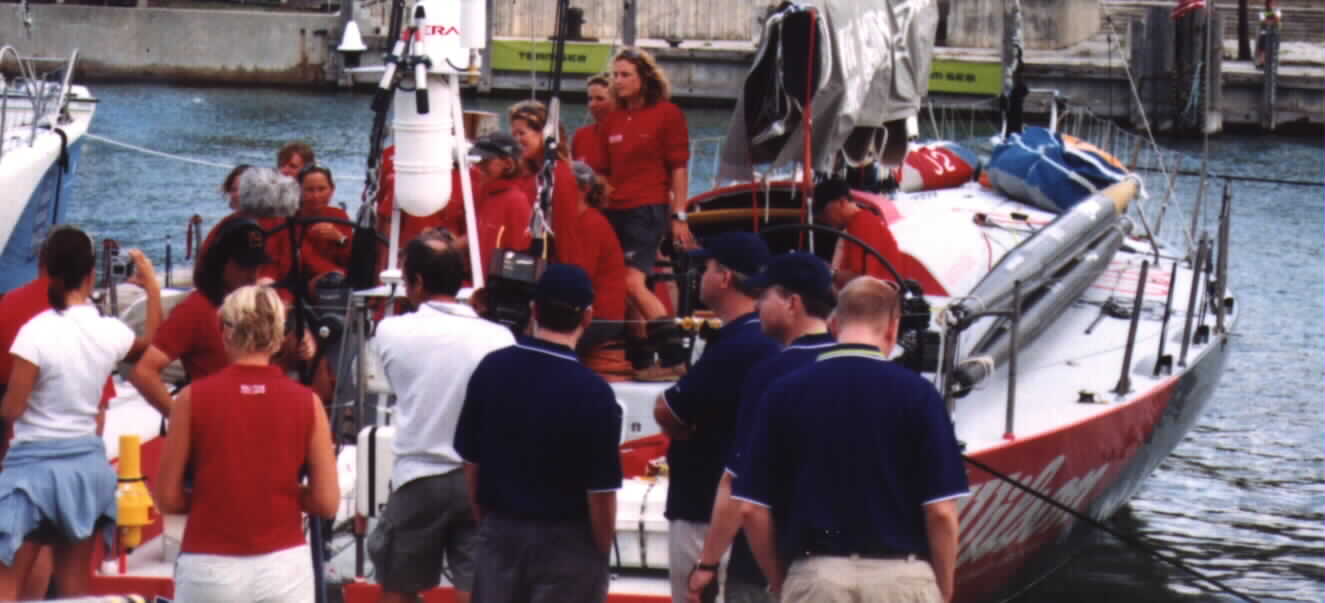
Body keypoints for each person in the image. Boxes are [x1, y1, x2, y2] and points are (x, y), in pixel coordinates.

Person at [734, 278, 968, 603]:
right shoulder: (919, 395)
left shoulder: (783, 393)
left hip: (816, 578)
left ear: (833, 324)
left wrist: (782, 582)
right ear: (893, 328)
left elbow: (751, 509)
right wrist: (944, 588)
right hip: (901, 580)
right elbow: (941, 513)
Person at [0, 227, 163, 599]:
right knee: (75, 590)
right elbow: (147, 345)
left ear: (45, 271)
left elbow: (12, 409)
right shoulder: (109, 331)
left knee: (6, 586)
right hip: (85, 470)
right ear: (90, 275)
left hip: (32, 474)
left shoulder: (34, 333)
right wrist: (152, 289)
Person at [156, 285, 339, 603]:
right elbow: (326, 502)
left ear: (225, 332)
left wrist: (215, 498)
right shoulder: (307, 403)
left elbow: (168, 498)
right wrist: (283, 495)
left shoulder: (191, 399)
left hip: (209, 562)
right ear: (279, 337)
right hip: (283, 564)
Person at [455, 264, 622, 603]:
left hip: (501, 532)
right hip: (568, 544)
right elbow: (601, 492)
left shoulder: (491, 369)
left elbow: (471, 463)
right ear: (587, 317)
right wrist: (600, 552)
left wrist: (487, 522)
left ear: (534, 309)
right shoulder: (594, 393)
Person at [366, 235, 515, 603]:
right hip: (479, 479)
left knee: (398, 587)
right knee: (476, 587)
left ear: (417, 282)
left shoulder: (391, 331)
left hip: (418, 477)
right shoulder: (500, 337)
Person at [687, 252, 837, 603]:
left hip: (767, 567)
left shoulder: (771, 374)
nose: (756, 307)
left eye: (764, 296)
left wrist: (707, 564)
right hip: (845, 561)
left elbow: (737, 486)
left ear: (792, 303)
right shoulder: (861, 369)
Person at [651, 232, 779, 603]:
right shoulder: (768, 338)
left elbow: (667, 410)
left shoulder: (737, 343)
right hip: (748, 511)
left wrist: (683, 424)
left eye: (706, 268)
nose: (700, 276)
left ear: (724, 277)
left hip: (705, 509)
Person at [594, 48, 694, 379]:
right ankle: (641, 361)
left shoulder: (667, 114)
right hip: (615, 210)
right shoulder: (612, 120)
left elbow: (678, 168)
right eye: (615, 75)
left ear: (644, 78)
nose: (618, 81)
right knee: (622, 285)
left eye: (625, 75)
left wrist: (679, 216)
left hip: (647, 209)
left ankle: (674, 358)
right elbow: (604, 172)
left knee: (631, 282)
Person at [131, 219, 271, 414]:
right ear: (221, 262)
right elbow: (144, 372)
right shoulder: (195, 310)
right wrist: (182, 420)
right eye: (244, 266)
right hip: (219, 419)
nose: (252, 275)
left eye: (257, 265)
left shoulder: (259, 303)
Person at [566, 161, 628, 371]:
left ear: (583, 190)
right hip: (589, 311)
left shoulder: (591, 224)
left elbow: (580, 277)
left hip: (601, 317)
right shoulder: (578, 221)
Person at [200, 167, 301, 285]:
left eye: (241, 190)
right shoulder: (228, 224)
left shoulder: (283, 224)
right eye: (234, 189)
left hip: (270, 287)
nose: (237, 194)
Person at [812, 178, 907, 290]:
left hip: (873, 297)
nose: (823, 219)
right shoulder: (856, 224)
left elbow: (860, 278)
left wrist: (828, 272)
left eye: (824, 212)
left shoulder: (862, 222)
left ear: (842, 202)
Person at [463, 132, 532, 274]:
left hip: (499, 286)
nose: (477, 167)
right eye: (476, 162)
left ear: (508, 163)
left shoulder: (516, 201)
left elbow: (520, 266)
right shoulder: (487, 195)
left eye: (485, 162)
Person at [294, 165, 354, 282]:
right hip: (304, 282)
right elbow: (307, 260)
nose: (316, 196)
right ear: (299, 191)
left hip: (339, 279)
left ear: (332, 190)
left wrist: (340, 238)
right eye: (309, 190)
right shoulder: (292, 219)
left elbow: (352, 259)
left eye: (321, 189)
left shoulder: (339, 216)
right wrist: (337, 274)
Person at [571, 73, 613, 169]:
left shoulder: (626, 135)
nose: (592, 104)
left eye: (600, 99)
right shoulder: (580, 136)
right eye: (590, 99)